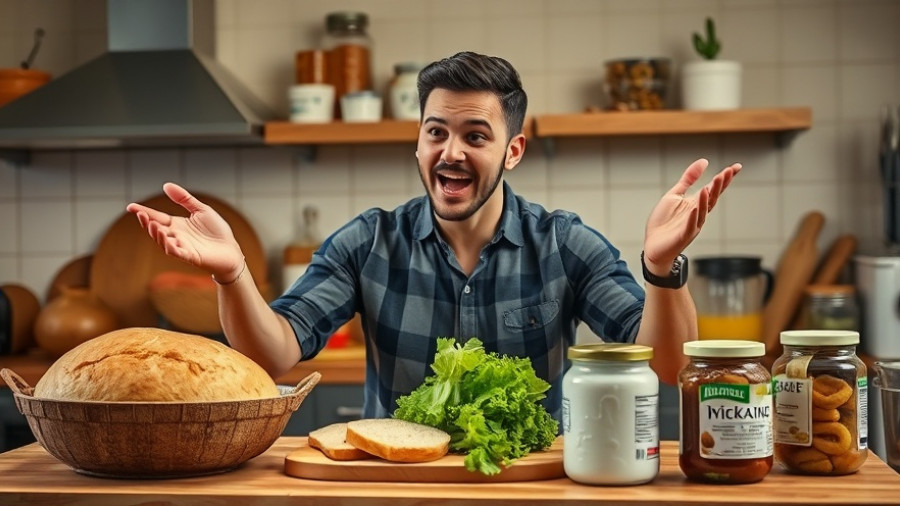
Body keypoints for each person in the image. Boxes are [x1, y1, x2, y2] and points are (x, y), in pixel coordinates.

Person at [127, 51, 740, 423]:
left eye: (476, 135)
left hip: (527, 492)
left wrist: (663, 267)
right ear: (418, 141)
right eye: (435, 132)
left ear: (513, 150)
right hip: (398, 494)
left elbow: (666, 364)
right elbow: (272, 353)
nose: (451, 152)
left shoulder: (564, 244)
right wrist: (232, 274)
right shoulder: (367, 243)